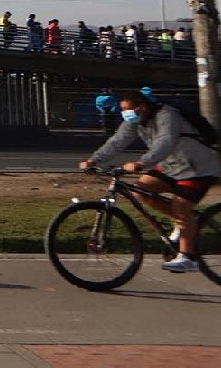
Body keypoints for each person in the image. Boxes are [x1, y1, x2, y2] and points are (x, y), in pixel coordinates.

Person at [80, 90, 220, 273]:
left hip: (197, 168)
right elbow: (117, 141)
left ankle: (188, 258)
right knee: (141, 190)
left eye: (128, 110)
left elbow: (165, 142)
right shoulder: (135, 120)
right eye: (122, 110)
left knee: (181, 208)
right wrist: (94, 160)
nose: (125, 114)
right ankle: (180, 223)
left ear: (143, 107)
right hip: (170, 166)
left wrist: (141, 163)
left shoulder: (167, 114)